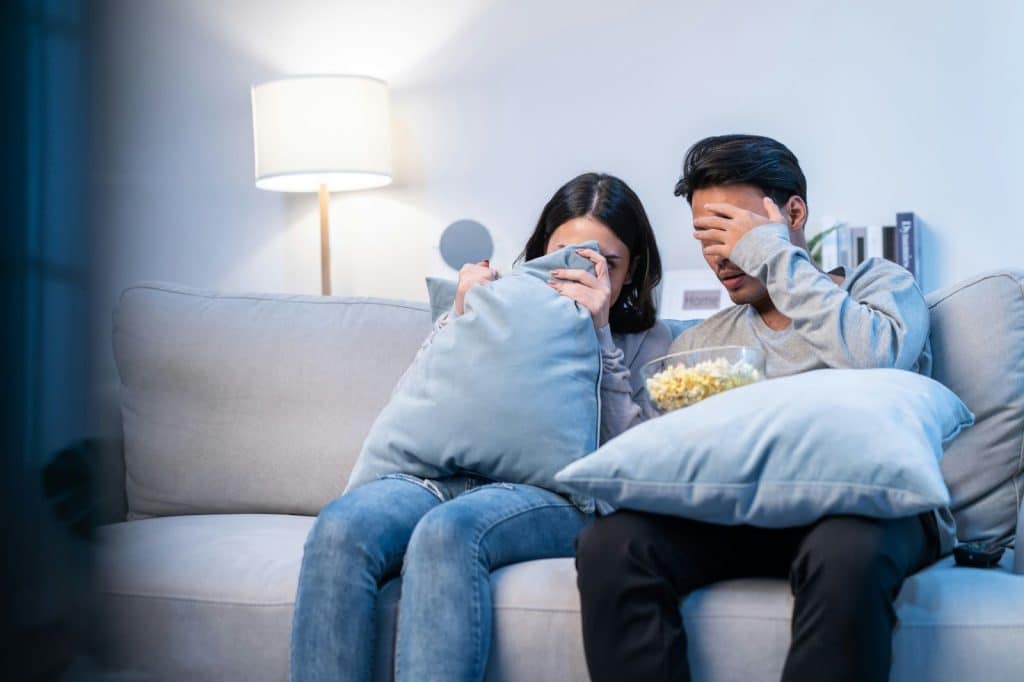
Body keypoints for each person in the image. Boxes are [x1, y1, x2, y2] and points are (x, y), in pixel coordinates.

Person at [575, 135, 945, 682]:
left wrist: (774, 256)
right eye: (707, 235)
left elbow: (875, 359)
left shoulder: (880, 287)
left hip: (866, 508)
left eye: (733, 229)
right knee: (612, 543)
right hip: (742, 514)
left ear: (793, 212)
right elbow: (650, 451)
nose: (720, 253)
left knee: (848, 553)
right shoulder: (702, 344)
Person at [290, 172, 671, 682]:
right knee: (340, 528)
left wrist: (598, 333)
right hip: (437, 478)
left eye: (607, 263)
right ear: (540, 253)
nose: (582, 271)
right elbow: (417, 399)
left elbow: (635, 460)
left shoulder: (650, 340)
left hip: (546, 496)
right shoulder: (502, 307)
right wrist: (458, 318)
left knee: (448, 533)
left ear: (633, 269)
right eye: (566, 255)